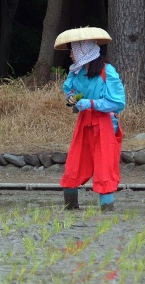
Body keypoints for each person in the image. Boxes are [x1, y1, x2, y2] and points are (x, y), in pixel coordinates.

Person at [54, 27, 126, 211]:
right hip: (84, 122)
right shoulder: (76, 72)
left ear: (82, 51)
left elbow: (118, 103)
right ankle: (70, 208)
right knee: (74, 163)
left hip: (105, 124)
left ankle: (107, 210)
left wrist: (90, 104)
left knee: (104, 167)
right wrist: (73, 99)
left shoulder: (107, 71)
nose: (70, 55)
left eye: (73, 50)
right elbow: (71, 91)